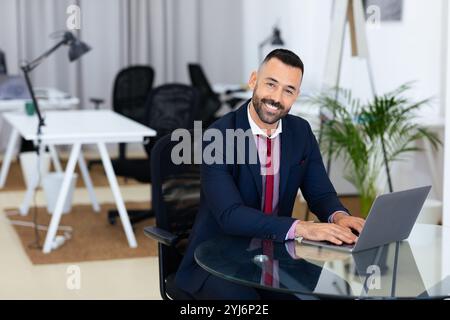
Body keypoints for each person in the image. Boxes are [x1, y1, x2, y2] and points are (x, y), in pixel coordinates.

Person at [175, 49, 365, 299]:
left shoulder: (300, 132)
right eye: (271, 84)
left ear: (296, 95)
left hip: (275, 256)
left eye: (288, 90)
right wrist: (301, 228)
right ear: (253, 80)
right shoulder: (218, 136)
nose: (276, 98)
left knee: (336, 294)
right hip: (217, 259)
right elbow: (230, 215)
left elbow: (320, 193)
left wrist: (339, 216)